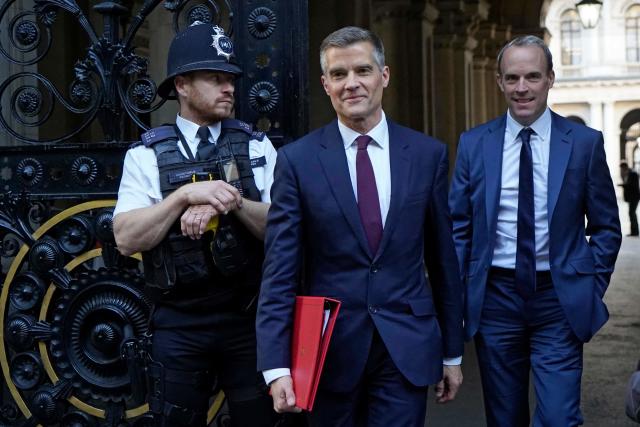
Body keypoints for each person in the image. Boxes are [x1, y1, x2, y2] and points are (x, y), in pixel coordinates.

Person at [256, 26, 464, 427]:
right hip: (327, 353)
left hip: (404, 347)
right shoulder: (298, 162)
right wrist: (276, 366)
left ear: (383, 76)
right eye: (338, 74)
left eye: (362, 71)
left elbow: (444, 262)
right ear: (325, 84)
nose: (351, 83)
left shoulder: (426, 155)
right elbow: (279, 270)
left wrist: (452, 352)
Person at [449, 35, 622, 427]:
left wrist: (589, 285)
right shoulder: (474, 144)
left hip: (558, 299)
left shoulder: (583, 143)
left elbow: (607, 227)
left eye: (532, 76)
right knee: (505, 417)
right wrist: (460, 294)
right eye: (512, 78)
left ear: (549, 79)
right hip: (496, 299)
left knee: (560, 417)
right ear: (499, 81)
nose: (521, 88)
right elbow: (458, 227)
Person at [112, 22, 278, 427]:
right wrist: (184, 197)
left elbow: (283, 228)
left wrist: (230, 200)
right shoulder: (145, 155)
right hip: (178, 322)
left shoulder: (256, 146)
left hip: (248, 319)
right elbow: (126, 238)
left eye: (231, 79)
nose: (229, 88)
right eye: (216, 79)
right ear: (182, 85)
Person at [620, 160, 640, 236]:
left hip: (634, 197)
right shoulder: (627, 174)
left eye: (622, 168)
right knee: (631, 213)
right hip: (632, 198)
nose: (621, 170)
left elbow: (632, 185)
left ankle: (635, 231)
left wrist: (623, 185)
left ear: (625, 167)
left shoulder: (632, 174)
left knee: (632, 213)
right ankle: (634, 231)